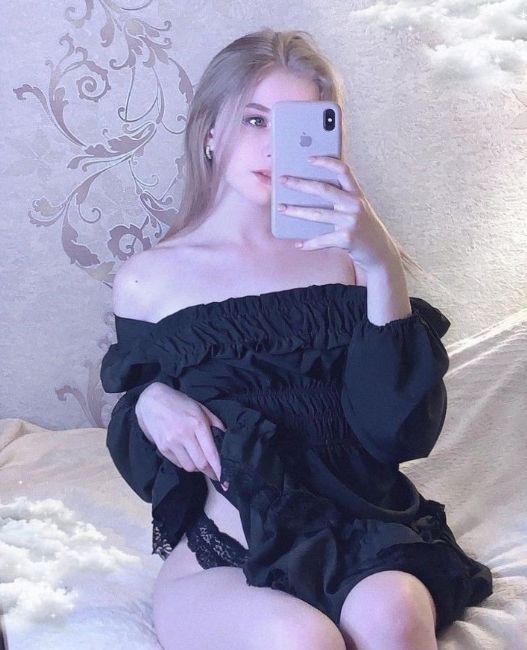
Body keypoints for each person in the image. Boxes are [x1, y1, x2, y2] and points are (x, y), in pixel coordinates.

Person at [100, 28, 493, 650]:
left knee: (394, 616)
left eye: (296, 125)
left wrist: (381, 265)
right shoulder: (149, 280)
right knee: (301, 639)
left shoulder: (345, 260)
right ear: (209, 131)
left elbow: (397, 433)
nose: (273, 146)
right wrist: (147, 401)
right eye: (255, 120)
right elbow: (146, 426)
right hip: (232, 550)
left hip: (365, 529)